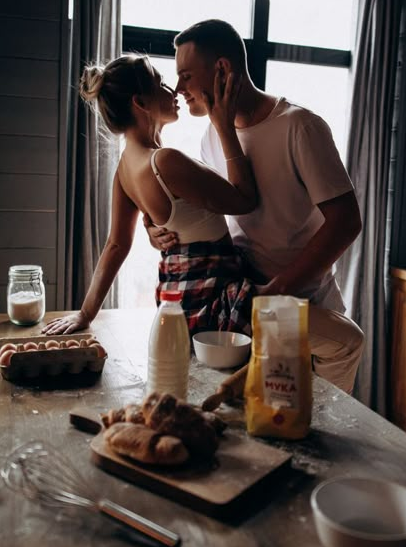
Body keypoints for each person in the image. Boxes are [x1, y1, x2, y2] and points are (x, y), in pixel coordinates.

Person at [145, 19, 364, 394]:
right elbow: (212, 213)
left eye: (185, 75)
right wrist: (155, 230)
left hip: (300, 300)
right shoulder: (212, 135)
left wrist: (276, 289)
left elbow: (346, 223)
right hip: (238, 303)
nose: (178, 89)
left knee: (322, 417)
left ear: (223, 70)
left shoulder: (300, 127)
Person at [42, 52, 263, 339]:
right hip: (211, 304)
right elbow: (245, 200)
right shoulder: (166, 161)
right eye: (160, 83)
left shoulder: (125, 169)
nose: (173, 90)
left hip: (177, 308)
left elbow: (116, 245)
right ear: (140, 102)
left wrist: (86, 313)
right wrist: (225, 127)